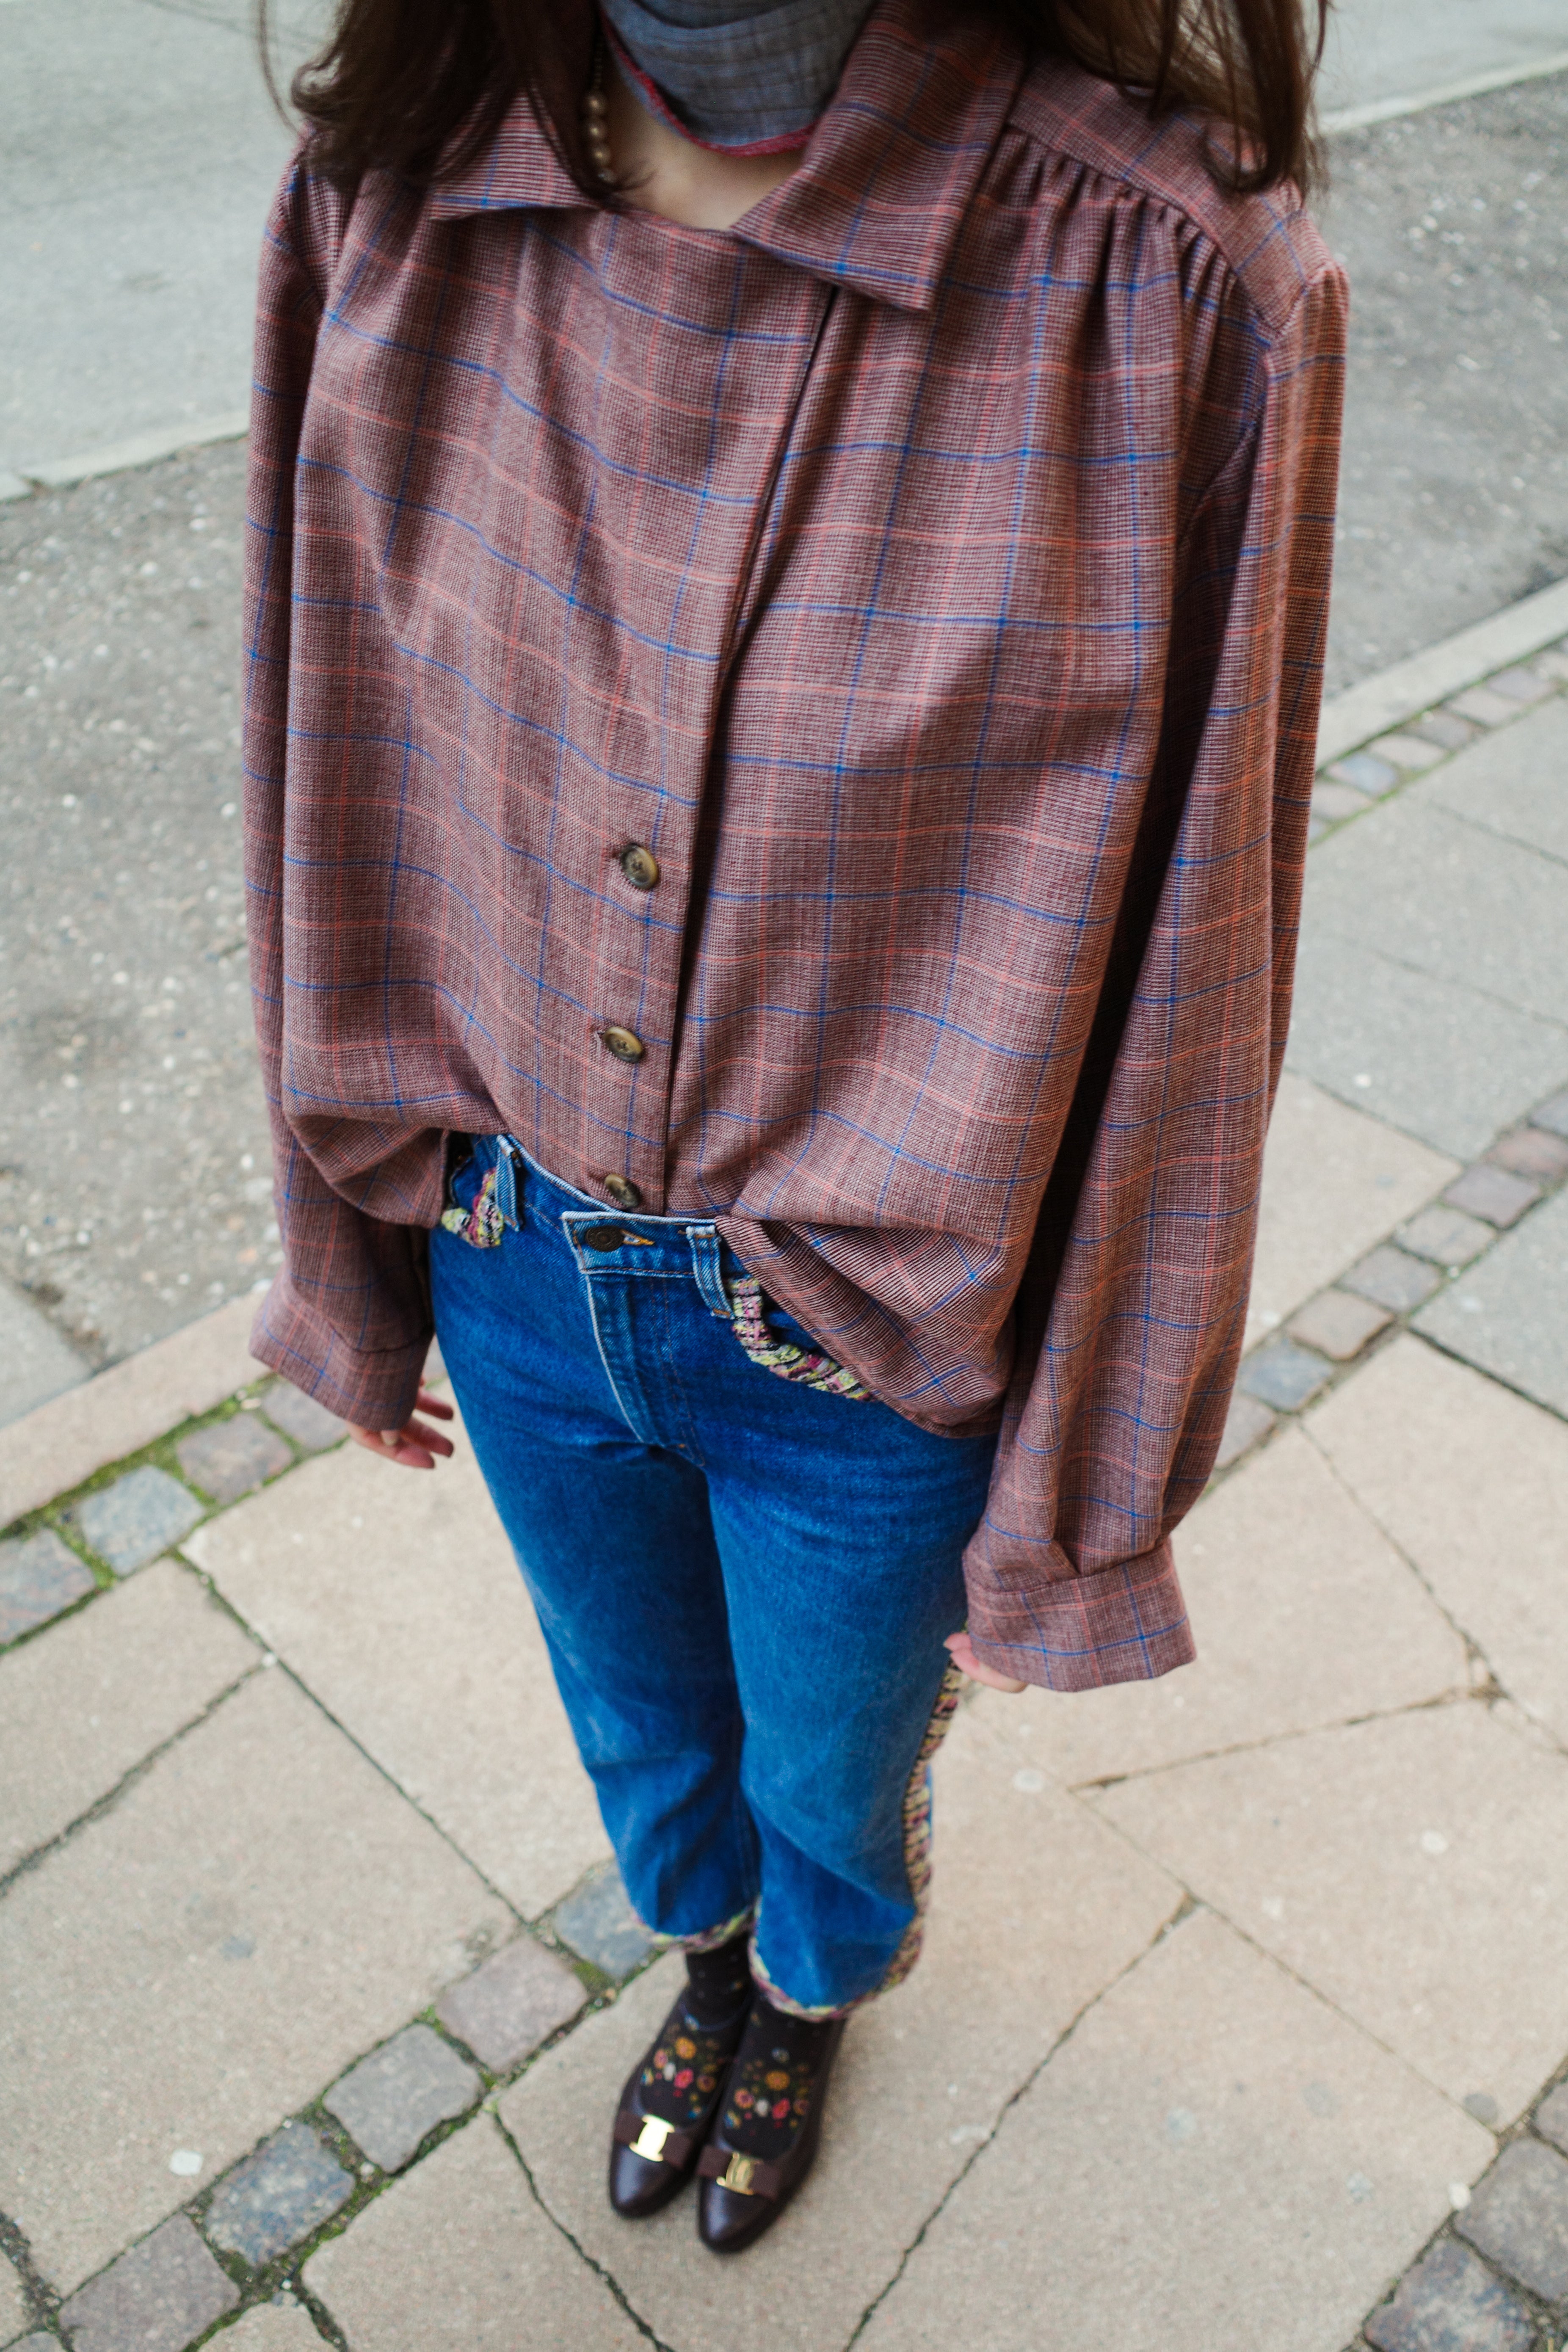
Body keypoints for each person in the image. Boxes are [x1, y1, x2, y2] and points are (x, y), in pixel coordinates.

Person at [244, 0, 1344, 2252]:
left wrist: (1083, 1498)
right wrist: (348, 1263)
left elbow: (1195, 975)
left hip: (864, 1344)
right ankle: (701, 1960)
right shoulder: (395, 177)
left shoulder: (1170, 284)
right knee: (643, 1737)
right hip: (510, 1250)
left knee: (826, 1781)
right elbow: (319, 743)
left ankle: (811, 1989)